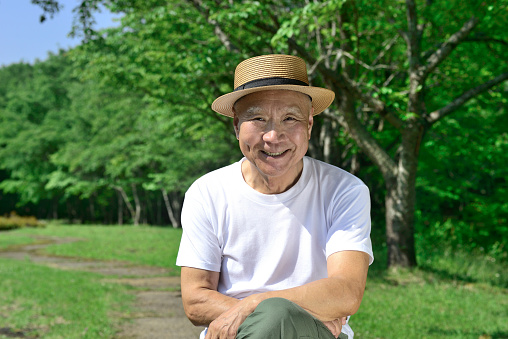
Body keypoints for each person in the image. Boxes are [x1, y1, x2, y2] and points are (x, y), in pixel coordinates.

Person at [176, 54, 374, 339]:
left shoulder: (344, 190)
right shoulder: (207, 192)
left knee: (277, 314)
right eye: (258, 118)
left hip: (315, 334)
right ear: (236, 126)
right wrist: (273, 314)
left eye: (290, 119)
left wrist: (257, 303)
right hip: (234, 332)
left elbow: (346, 292)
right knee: (275, 317)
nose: (273, 136)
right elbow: (195, 300)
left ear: (308, 125)